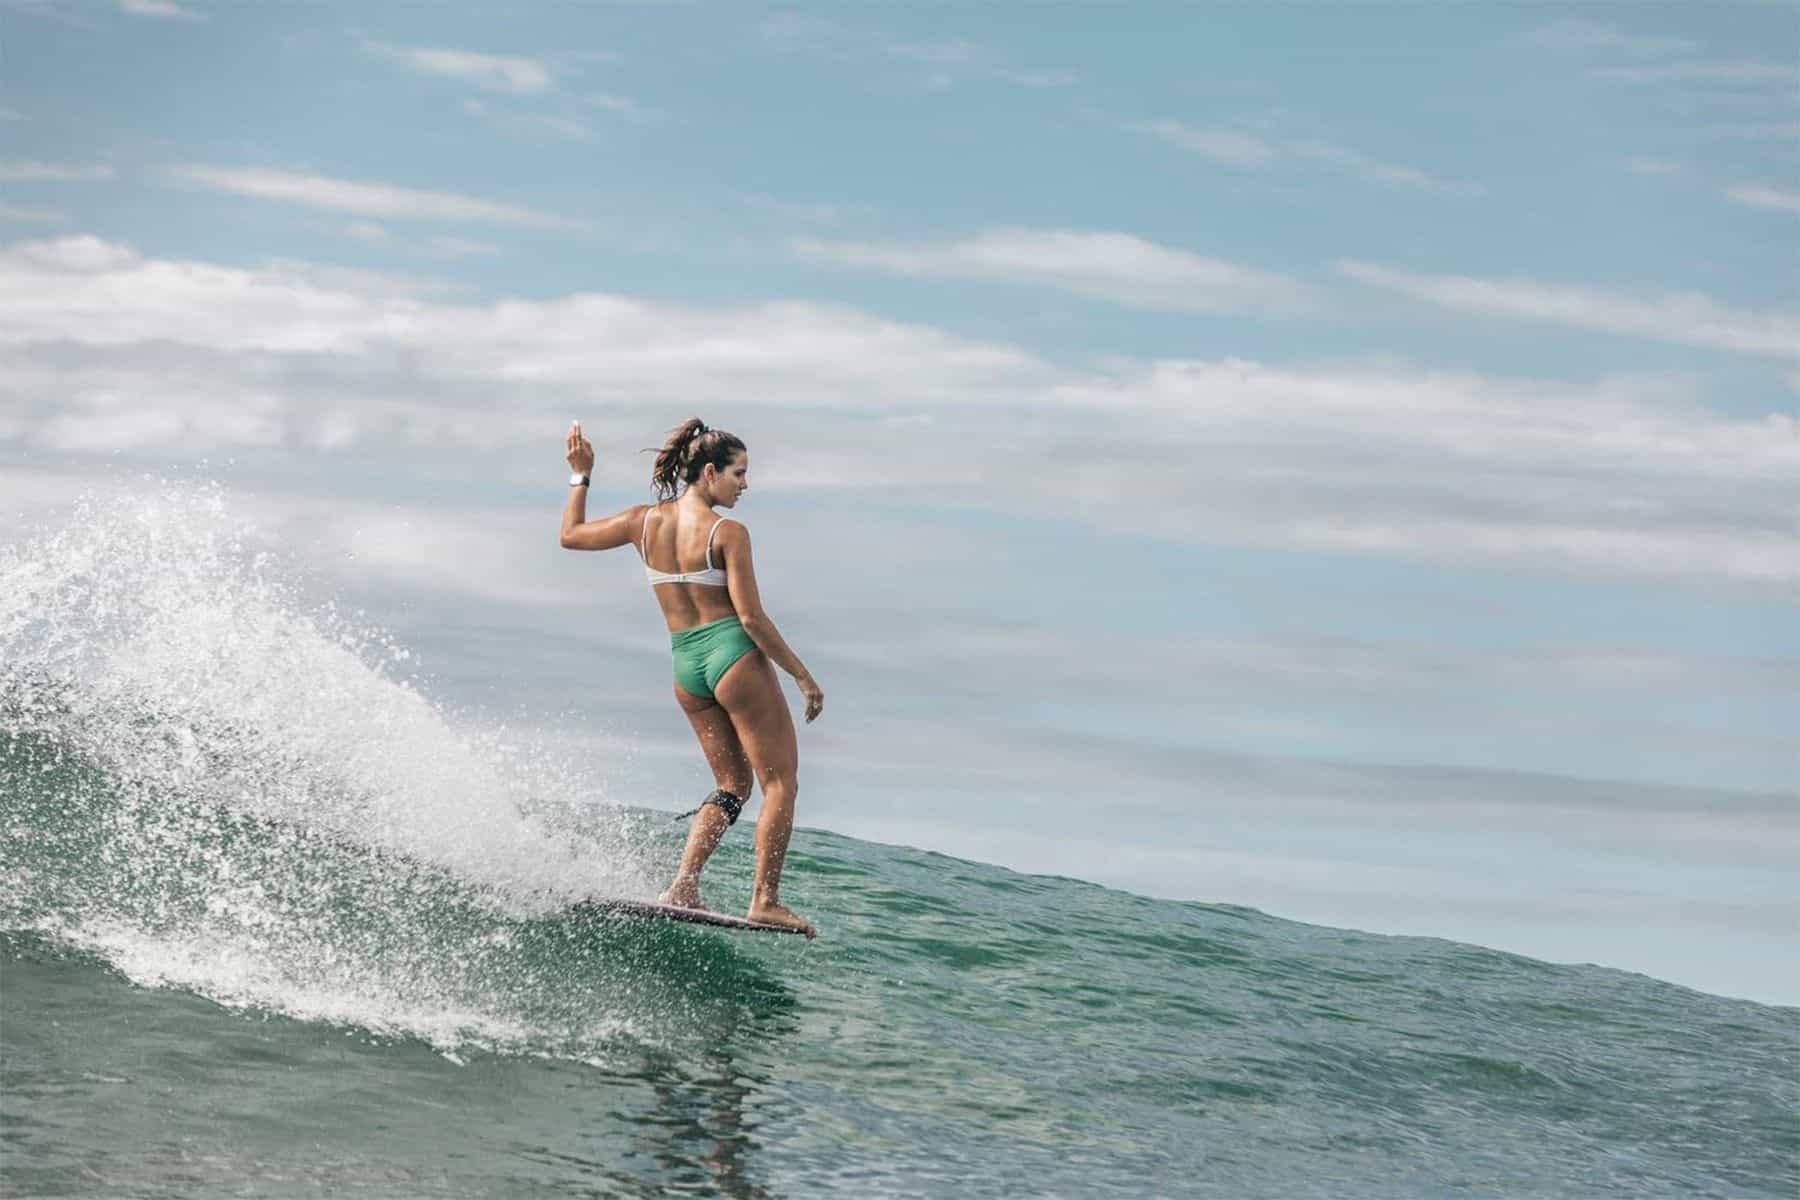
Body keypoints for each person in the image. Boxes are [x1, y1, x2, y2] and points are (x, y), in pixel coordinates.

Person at [559, 417, 823, 937]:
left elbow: (571, 536)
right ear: (709, 473)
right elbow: (750, 618)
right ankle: (765, 900)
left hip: (686, 667)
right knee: (780, 784)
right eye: (739, 474)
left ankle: (683, 885)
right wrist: (803, 678)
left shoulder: (642, 522)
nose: (745, 485)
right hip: (733, 657)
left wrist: (580, 476)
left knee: (731, 785)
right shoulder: (728, 533)